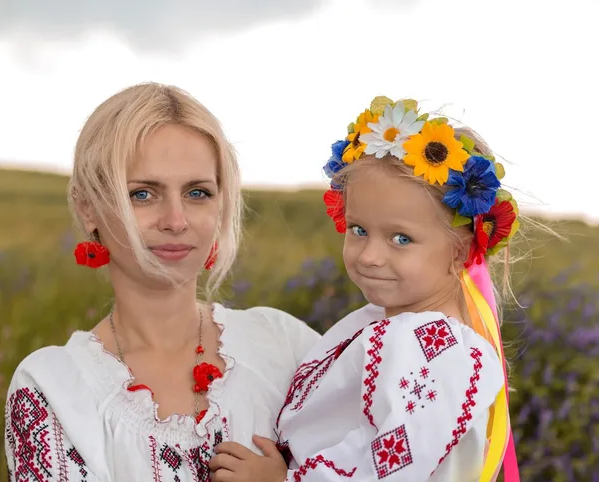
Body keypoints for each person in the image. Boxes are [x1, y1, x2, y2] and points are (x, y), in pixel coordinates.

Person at [3, 82, 321, 481]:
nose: (175, 220)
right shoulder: (54, 389)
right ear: (89, 209)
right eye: (142, 194)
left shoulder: (287, 347)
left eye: (197, 192)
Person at [209, 96, 521, 481]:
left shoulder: (438, 350)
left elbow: (393, 469)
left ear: (459, 251)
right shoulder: (393, 325)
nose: (370, 255)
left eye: (401, 239)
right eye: (359, 230)